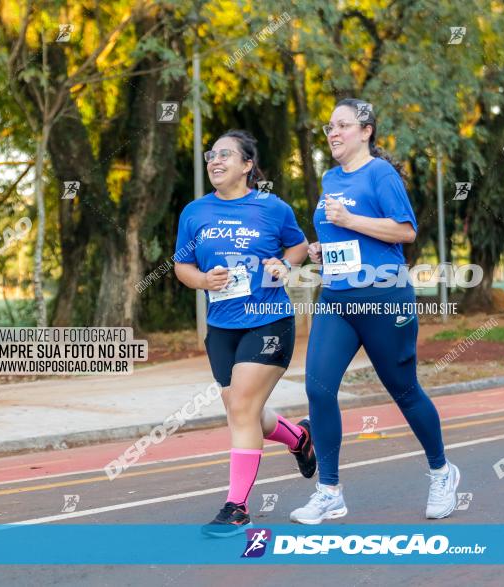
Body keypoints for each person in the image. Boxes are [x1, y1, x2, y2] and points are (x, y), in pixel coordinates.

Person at [289, 99, 460, 525]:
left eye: (342, 125)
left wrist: (350, 220)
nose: (333, 133)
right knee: (319, 389)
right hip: (337, 299)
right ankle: (329, 491)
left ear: (366, 131)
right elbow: (342, 239)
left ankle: (442, 472)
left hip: (384, 298)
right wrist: (321, 250)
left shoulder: (380, 174)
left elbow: (405, 230)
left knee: (404, 391)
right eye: (329, 127)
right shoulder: (329, 177)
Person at [173, 129, 314, 537]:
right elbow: (182, 267)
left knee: (243, 409)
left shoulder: (272, 208)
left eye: (225, 155)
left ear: (248, 165)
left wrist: (283, 266)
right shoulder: (194, 212)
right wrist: (203, 280)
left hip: (267, 320)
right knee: (240, 407)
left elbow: (299, 245)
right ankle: (299, 438)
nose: (215, 161)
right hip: (221, 327)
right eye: (211, 155)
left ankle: (237, 508)